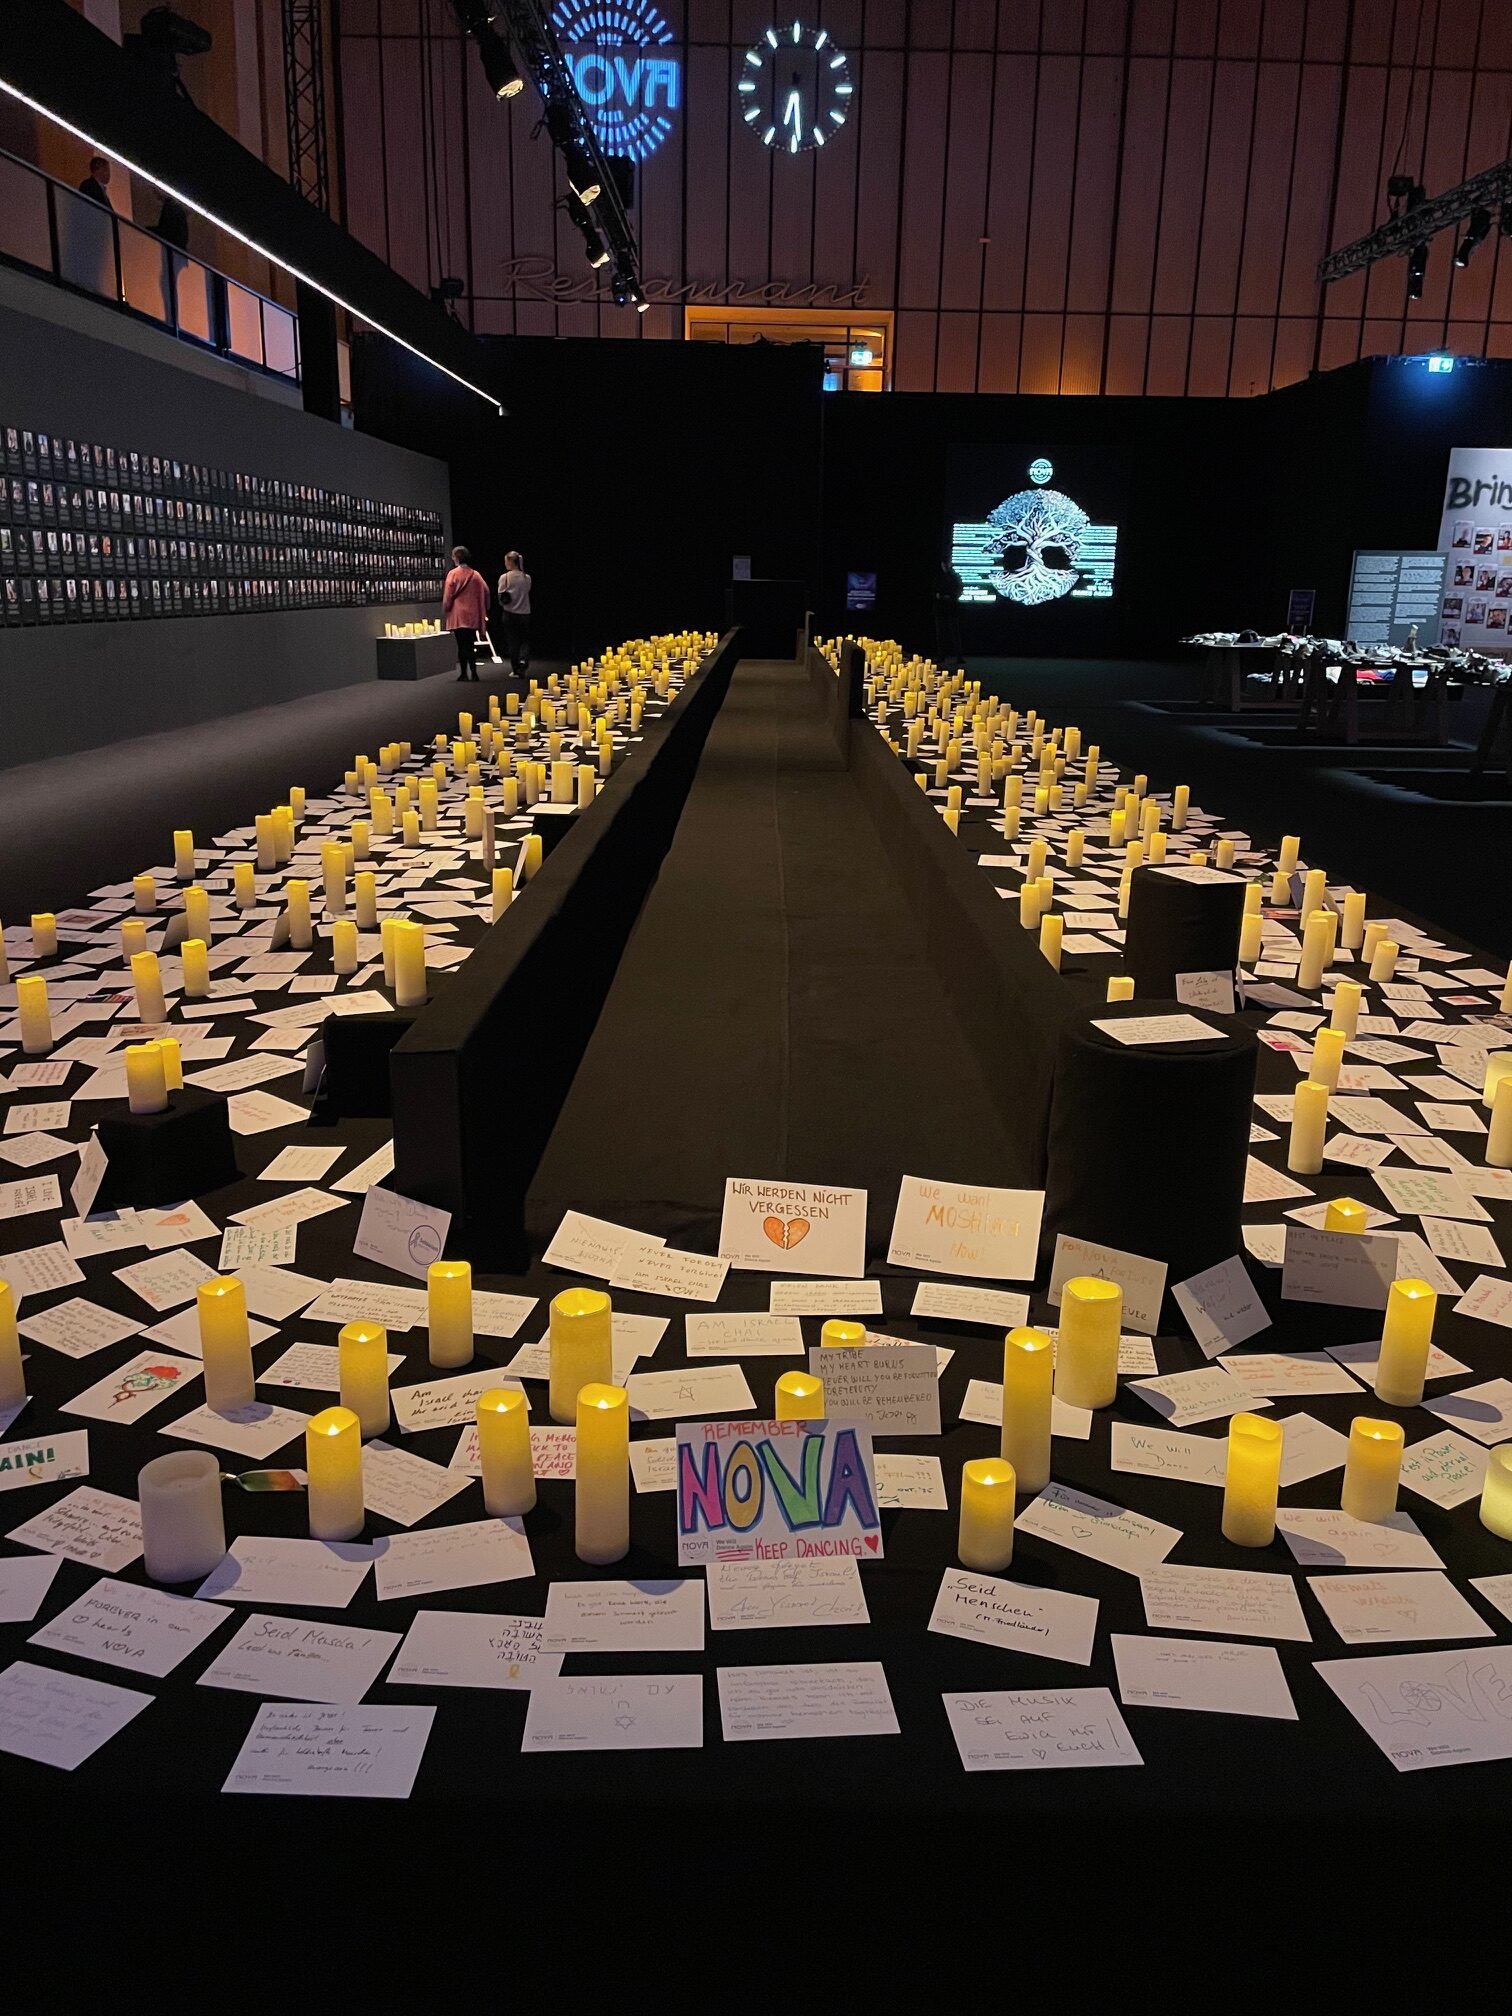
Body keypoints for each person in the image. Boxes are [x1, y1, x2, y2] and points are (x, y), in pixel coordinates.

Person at [442, 544, 489, 682]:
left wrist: (446, 608)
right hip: (472, 616)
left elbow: (448, 595)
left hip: (458, 615)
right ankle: (474, 673)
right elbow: (486, 591)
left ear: (456, 558)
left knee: (461, 645)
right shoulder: (476, 575)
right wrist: (485, 608)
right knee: (471, 644)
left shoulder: (453, 574)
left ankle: (463, 674)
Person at [497, 549, 532, 673]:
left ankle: (515, 668)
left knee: (513, 640)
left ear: (511, 562)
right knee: (524, 640)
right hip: (525, 613)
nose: (505, 564)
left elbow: (500, 596)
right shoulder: (527, 577)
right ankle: (523, 660)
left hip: (509, 613)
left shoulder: (505, 577)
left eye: (506, 561)